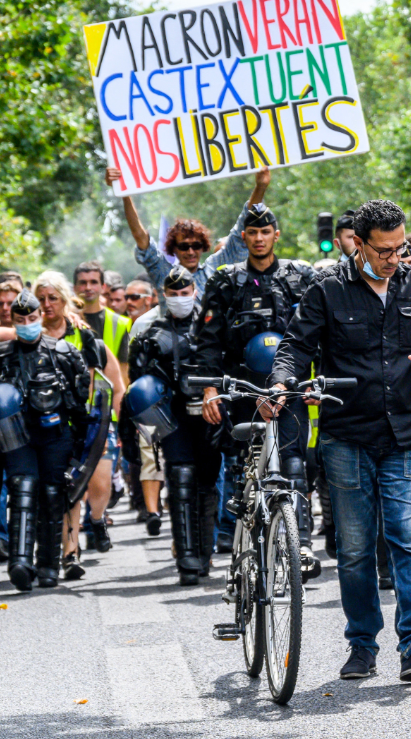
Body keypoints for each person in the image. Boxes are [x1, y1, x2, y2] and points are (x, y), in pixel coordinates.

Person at [268, 198, 411, 683]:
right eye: (385, 251)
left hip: (408, 434)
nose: (396, 259)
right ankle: (362, 645)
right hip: (347, 437)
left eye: (400, 248)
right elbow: (294, 347)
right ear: (359, 244)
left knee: (410, 541)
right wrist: (280, 382)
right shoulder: (326, 289)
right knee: (353, 550)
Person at [194, 202, 319, 574]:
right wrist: (209, 389)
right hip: (243, 386)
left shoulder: (301, 276)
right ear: (243, 236)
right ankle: (244, 549)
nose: (260, 238)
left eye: (266, 232)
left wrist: (316, 378)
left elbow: (321, 334)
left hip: (292, 386)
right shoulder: (225, 280)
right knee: (243, 466)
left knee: (294, 462)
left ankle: (302, 545)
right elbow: (208, 340)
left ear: (276, 235)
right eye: (253, 232)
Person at [127, 266, 220, 583]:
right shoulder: (149, 332)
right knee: (180, 477)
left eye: (185, 292)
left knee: (207, 481)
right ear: (164, 296)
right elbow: (136, 389)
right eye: (174, 294)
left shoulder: (213, 324)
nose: (180, 298)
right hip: (173, 414)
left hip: (210, 411)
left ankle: (204, 553)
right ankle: (187, 559)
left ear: (195, 291)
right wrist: (136, 438)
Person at [34, 271, 125, 573]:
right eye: (41, 299)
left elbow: (115, 384)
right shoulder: (31, 333)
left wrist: (117, 424)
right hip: (56, 425)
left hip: (93, 423)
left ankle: (97, 519)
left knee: (99, 485)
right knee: (69, 487)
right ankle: (70, 552)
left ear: (64, 299)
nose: (47, 305)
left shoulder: (84, 334)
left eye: (53, 298)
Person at [0, 291, 91, 590]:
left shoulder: (63, 353)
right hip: (17, 437)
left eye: (31, 318)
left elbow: (81, 404)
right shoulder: (4, 355)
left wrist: (80, 448)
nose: (27, 323)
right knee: (23, 488)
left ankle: (49, 566)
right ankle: (20, 562)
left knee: (53, 496)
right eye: (20, 319)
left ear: (41, 316)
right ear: (12, 321)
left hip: (55, 435)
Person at [106, 166, 270, 298]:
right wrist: (124, 194)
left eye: (196, 245)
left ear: (202, 247)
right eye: (184, 247)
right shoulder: (164, 273)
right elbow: (140, 237)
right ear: (174, 249)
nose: (190, 251)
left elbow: (244, 224)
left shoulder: (215, 269)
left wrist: (260, 186)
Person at [74, 261, 132, 543]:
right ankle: (78, 534)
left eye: (93, 282)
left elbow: (122, 373)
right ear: (75, 287)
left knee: (104, 478)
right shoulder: (65, 319)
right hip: (74, 411)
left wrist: (120, 420)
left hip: (106, 412)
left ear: (103, 287)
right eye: (82, 283)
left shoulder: (119, 323)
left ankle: (94, 518)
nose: (87, 288)